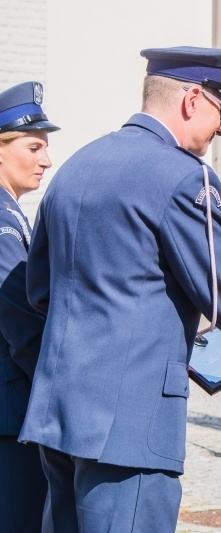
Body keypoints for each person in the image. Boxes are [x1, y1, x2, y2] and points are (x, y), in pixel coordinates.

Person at [19, 46, 221, 532]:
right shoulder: (185, 177)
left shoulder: (75, 167)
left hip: (58, 414)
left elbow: (38, 291)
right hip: (130, 423)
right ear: (191, 99)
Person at [0, 81, 58, 533]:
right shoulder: (2, 223)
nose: (46, 160)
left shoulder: (12, 214)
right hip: (10, 412)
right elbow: (20, 320)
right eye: (34, 146)